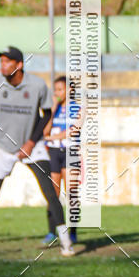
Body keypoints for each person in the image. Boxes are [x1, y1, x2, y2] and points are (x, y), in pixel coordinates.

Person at [0, 46, 74, 256]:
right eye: (0, 61)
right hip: (3, 148)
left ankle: (66, 241)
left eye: (7, 61)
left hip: (33, 146)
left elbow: (47, 113)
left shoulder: (37, 85)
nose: (2, 65)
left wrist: (30, 142)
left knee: (50, 192)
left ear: (19, 65)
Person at [42, 75, 81, 246]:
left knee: (71, 193)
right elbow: (44, 131)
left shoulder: (77, 108)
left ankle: (73, 232)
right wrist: (53, 109)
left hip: (70, 152)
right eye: (55, 90)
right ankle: (53, 232)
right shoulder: (52, 109)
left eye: (60, 89)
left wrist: (52, 137)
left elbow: (72, 131)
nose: (57, 93)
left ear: (69, 90)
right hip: (53, 153)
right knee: (53, 194)